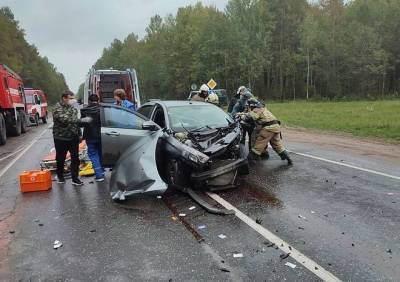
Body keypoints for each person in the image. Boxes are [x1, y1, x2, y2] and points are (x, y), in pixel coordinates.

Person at [240, 98, 293, 165]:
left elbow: (252, 117)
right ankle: (288, 158)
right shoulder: (263, 109)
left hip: (268, 128)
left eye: (248, 106)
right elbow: (250, 114)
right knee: (277, 145)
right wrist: (242, 114)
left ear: (251, 105)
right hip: (276, 127)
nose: (248, 107)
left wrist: (242, 117)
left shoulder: (256, 109)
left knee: (259, 145)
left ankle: (251, 160)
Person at [52, 90, 84, 185]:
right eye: (71, 98)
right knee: (60, 158)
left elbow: (76, 124)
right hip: (61, 138)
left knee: (75, 158)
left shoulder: (73, 109)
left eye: (73, 98)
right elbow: (64, 120)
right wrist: (81, 120)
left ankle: (75, 178)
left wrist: (80, 134)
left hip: (73, 137)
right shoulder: (57, 108)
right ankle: (60, 176)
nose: (73, 100)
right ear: (64, 98)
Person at [81, 94, 105, 182]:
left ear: (89, 101)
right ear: (98, 100)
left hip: (90, 135)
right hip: (102, 134)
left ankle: (99, 175)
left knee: (93, 154)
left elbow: (82, 123)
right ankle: (101, 171)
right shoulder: (102, 108)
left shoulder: (85, 110)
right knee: (100, 153)